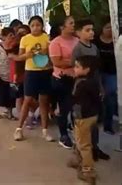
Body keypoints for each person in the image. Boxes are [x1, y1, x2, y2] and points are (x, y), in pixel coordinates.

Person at [72, 19, 110, 161]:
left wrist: (100, 86)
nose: (91, 32)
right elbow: (74, 69)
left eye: (92, 29)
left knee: (94, 120)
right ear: (78, 33)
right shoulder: (78, 49)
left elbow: (97, 70)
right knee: (82, 123)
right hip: (83, 91)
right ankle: (82, 152)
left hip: (94, 87)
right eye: (87, 30)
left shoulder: (94, 48)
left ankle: (95, 147)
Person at [13, 16, 54, 142]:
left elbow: (52, 54)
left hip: (45, 72)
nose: (36, 27)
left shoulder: (47, 38)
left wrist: (45, 53)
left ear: (42, 26)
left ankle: (45, 130)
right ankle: (19, 129)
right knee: (27, 99)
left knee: (44, 100)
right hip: (31, 72)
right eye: (33, 25)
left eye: (38, 25)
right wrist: (28, 55)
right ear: (29, 27)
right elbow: (19, 57)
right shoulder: (25, 39)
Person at [67, 56, 101, 184]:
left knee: (84, 144)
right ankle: (78, 160)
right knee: (79, 139)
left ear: (86, 70)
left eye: (77, 67)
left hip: (83, 117)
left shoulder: (82, 84)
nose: (74, 69)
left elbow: (74, 99)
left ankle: (88, 171)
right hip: (91, 115)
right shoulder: (92, 81)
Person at [49, 16, 79, 149]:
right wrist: (74, 63)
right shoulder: (56, 43)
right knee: (64, 108)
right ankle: (63, 135)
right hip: (62, 80)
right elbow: (57, 62)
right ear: (62, 27)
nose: (73, 25)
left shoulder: (77, 41)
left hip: (77, 79)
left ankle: (76, 132)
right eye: (70, 23)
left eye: (74, 23)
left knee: (76, 108)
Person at [94, 18, 118, 135]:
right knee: (96, 97)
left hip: (112, 73)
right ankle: (98, 118)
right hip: (97, 72)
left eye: (111, 27)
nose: (109, 30)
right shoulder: (95, 42)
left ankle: (108, 124)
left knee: (110, 96)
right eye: (107, 27)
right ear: (102, 29)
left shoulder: (117, 40)